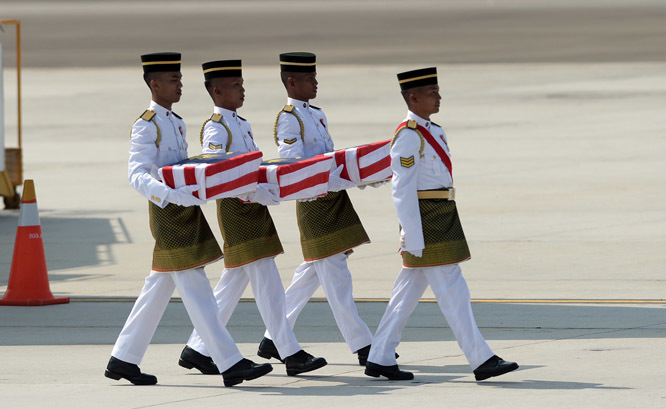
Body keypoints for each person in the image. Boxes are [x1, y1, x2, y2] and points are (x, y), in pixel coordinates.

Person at [105, 52, 272, 387]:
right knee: (197, 290)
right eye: (173, 80)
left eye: (180, 79)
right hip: (168, 214)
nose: (180, 84)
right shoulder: (146, 124)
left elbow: (181, 168)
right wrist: (171, 195)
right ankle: (230, 362)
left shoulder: (175, 121)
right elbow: (137, 175)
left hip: (185, 209)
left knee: (159, 286)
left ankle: (123, 358)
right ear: (154, 84)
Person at [365, 67, 519, 381]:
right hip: (425, 219)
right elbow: (402, 188)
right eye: (432, 92)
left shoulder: (434, 131)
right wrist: (409, 231)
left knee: (406, 292)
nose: (439, 97)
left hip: (442, 213)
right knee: (453, 290)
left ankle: (380, 355)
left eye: (438, 91)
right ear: (413, 97)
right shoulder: (408, 136)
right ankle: (481, 359)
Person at [178, 59, 327, 377]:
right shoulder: (216, 127)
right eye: (236, 86)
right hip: (237, 210)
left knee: (234, 282)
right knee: (268, 282)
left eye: (242, 84)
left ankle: (198, 348)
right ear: (217, 91)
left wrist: (272, 190)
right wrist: (255, 193)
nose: (242, 90)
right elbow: (217, 172)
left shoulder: (239, 124)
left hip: (252, 207)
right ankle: (290, 353)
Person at [258, 52, 375, 366]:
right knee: (337, 276)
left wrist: (359, 177)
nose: (316, 83)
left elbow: (330, 158)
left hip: (333, 198)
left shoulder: (317, 114)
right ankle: (364, 345)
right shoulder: (289, 118)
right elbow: (294, 166)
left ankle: (273, 338)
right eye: (310, 78)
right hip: (314, 203)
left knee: (311, 273)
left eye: (316, 76)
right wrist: (336, 180)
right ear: (292, 82)